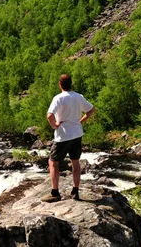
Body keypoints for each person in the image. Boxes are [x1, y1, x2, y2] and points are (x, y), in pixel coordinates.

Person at [41, 74, 96, 203]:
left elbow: (49, 116)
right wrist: (80, 122)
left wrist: (55, 126)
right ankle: (75, 191)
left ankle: (55, 193)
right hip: (77, 133)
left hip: (63, 135)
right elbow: (91, 110)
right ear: (71, 84)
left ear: (60, 84)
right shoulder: (78, 97)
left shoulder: (58, 98)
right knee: (75, 162)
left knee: (53, 162)